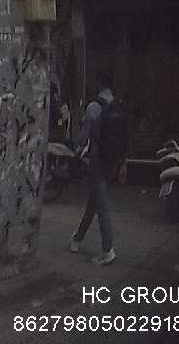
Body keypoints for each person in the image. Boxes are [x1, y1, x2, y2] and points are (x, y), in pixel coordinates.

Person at [70, 72, 118, 265]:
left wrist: (77, 146)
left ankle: (108, 249)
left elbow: (83, 139)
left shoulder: (93, 107)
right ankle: (77, 238)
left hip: (96, 162)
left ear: (98, 86)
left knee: (101, 207)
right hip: (112, 162)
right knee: (94, 202)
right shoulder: (117, 106)